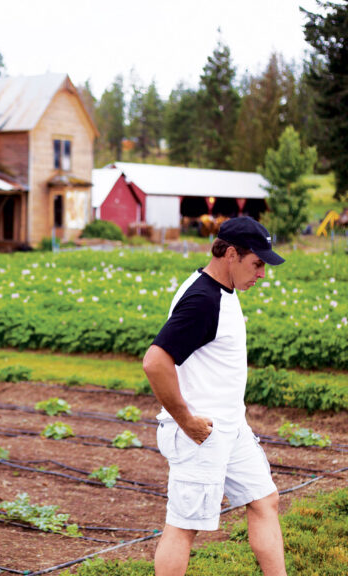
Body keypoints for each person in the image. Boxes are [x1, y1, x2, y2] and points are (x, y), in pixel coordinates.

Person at [142, 216, 287, 576]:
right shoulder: (204, 299)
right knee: (183, 526)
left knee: (265, 500)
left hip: (229, 427)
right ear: (232, 254)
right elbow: (155, 361)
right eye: (257, 263)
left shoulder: (221, 290)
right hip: (201, 434)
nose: (262, 274)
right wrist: (186, 420)